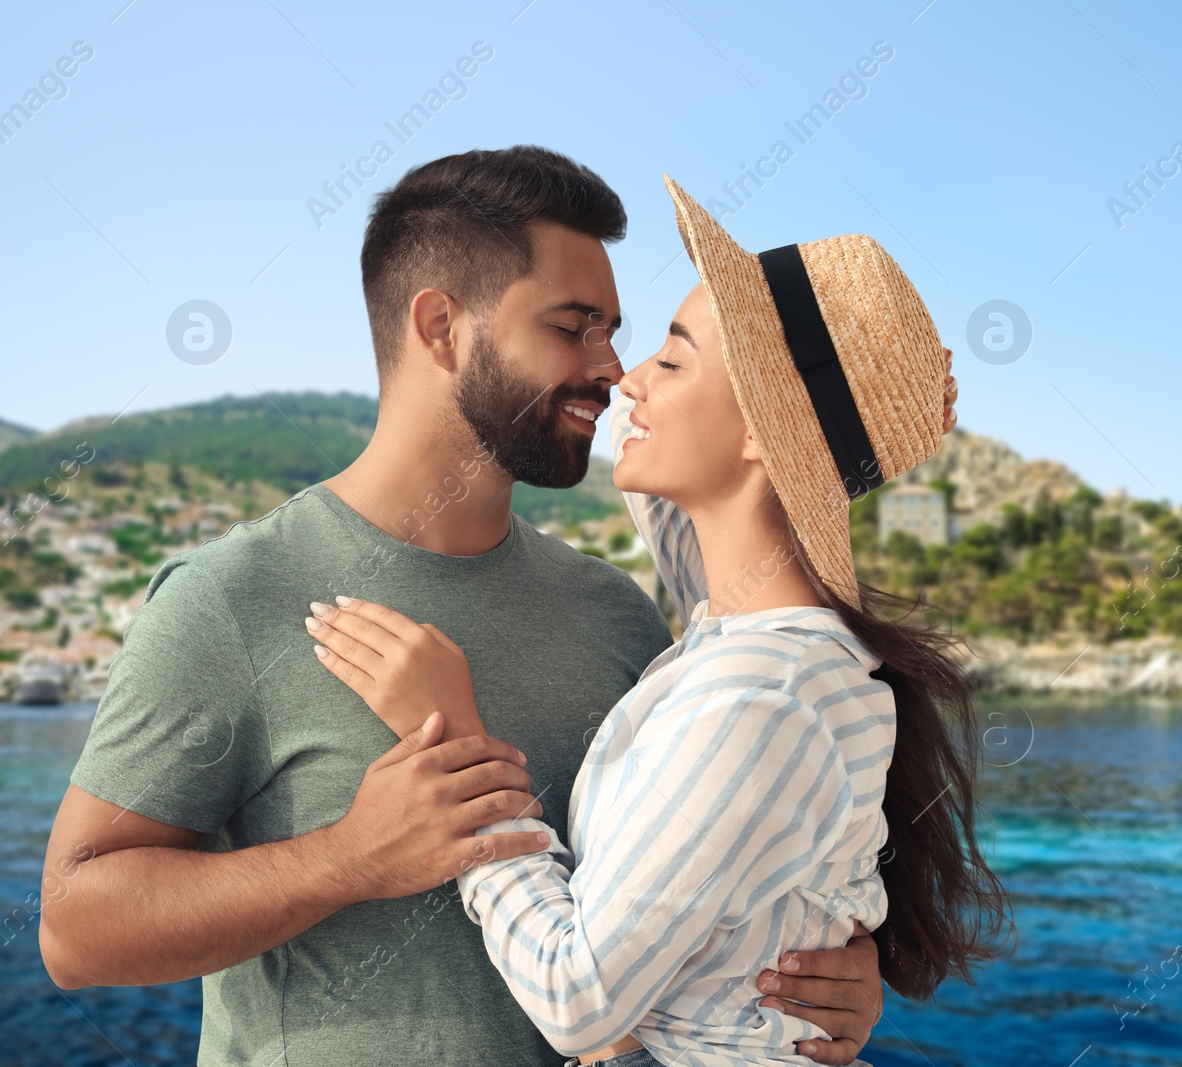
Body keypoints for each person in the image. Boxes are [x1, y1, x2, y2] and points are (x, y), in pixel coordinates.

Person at [39, 147, 892, 1066]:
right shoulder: (233, 595)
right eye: (574, 326)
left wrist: (818, 978)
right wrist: (350, 858)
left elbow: (688, 900)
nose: (612, 368)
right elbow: (75, 931)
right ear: (441, 326)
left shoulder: (620, 618)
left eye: (618, 330)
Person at [301, 176, 1011, 1066]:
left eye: (670, 360)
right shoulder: (746, 631)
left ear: (763, 432)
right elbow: (692, 521)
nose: (625, 376)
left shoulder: (761, 697)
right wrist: (864, 433)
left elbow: (579, 1001)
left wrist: (459, 745)